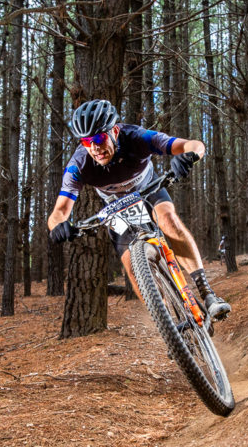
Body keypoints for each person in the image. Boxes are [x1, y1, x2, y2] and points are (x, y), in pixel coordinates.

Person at [47, 99, 231, 320]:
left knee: (169, 220)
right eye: (86, 141)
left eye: (99, 138)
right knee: (130, 265)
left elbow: (194, 144)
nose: (94, 147)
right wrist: (58, 226)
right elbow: (59, 211)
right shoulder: (79, 164)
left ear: (114, 130)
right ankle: (168, 324)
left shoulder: (136, 137)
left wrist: (188, 156)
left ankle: (207, 293)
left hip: (149, 190)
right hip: (116, 209)